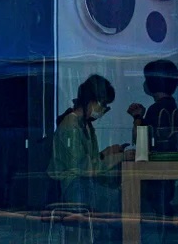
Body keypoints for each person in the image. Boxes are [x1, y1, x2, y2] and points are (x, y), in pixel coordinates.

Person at [48, 74, 133, 215]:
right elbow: (84, 167)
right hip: (75, 188)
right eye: (103, 104)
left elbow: (84, 159)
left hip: (83, 183)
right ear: (91, 100)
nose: (104, 109)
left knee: (122, 195)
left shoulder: (84, 124)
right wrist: (120, 157)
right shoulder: (71, 125)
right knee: (122, 200)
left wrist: (106, 153)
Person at [127, 59, 178, 219]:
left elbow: (140, 141)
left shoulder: (156, 109)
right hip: (169, 167)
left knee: (155, 208)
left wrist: (137, 117)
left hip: (155, 169)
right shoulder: (172, 106)